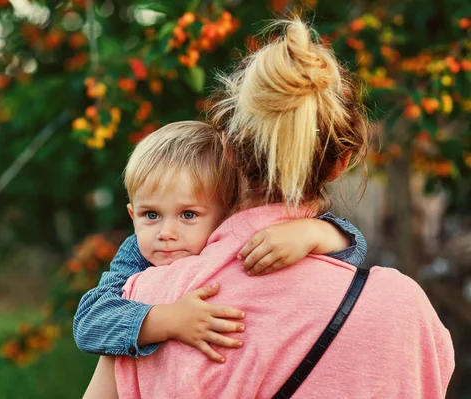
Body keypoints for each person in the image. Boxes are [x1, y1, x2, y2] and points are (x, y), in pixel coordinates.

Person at [114, 17, 455, 398]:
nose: (167, 230)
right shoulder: (403, 309)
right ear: (342, 163)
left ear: (227, 149)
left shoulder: (145, 298)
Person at [80, 120, 367, 398]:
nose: (166, 233)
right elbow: (89, 322)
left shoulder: (236, 244)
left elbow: (353, 254)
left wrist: (311, 232)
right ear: (133, 215)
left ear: (227, 215)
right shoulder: (137, 253)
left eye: (188, 215)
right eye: (151, 215)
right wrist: (169, 320)